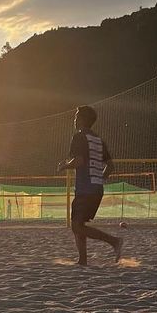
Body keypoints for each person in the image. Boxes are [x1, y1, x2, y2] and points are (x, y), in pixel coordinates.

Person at [58, 105, 123, 267]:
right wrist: (100, 179)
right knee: (79, 223)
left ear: (82, 119)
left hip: (85, 188)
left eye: (76, 116)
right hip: (96, 188)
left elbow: (79, 160)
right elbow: (110, 166)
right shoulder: (98, 139)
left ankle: (114, 241)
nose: (74, 119)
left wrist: (64, 166)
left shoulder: (79, 137)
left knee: (76, 226)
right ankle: (82, 260)